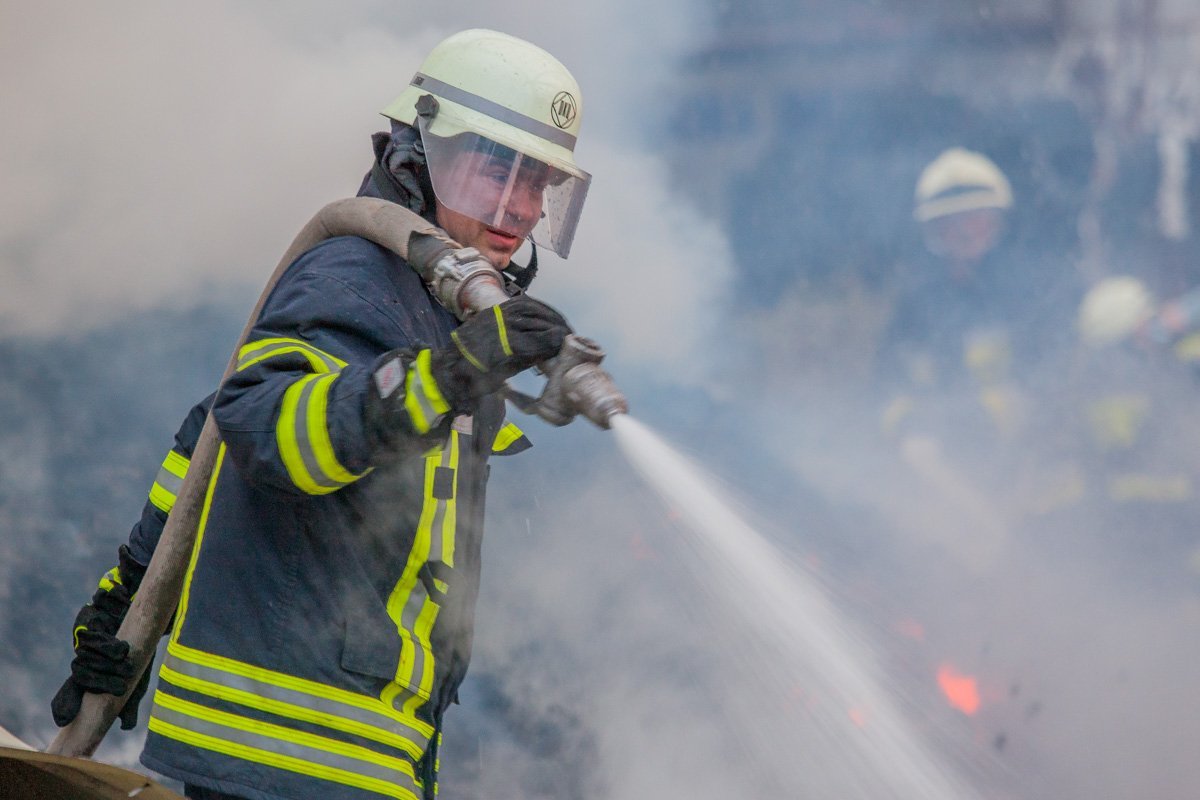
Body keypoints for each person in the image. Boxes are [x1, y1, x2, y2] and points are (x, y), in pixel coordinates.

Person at [51, 28, 593, 800]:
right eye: (494, 170)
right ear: (416, 153)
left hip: (354, 760)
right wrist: (446, 377)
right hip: (283, 755)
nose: (523, 210)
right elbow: (272, 428)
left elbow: (211, 432)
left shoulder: (434, 309)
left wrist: (126, 596)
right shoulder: (359, 271)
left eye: (541, 184)